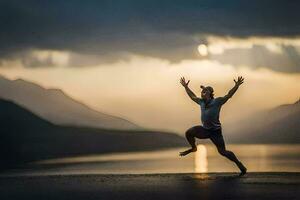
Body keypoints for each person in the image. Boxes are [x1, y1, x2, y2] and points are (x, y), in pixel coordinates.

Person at [179, 76, 247, 176]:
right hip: (205, 130)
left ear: (210, 94)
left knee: (223, 152)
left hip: (216, 132)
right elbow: (192, 96)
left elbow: (229, 95)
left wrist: (236, 85)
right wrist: (186, 87)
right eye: (202, 91)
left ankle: (239, 164)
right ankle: (194, 148)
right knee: (189, 133)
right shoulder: (201, 102)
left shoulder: (217, 102)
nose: (203, 93)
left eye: (205, 91)